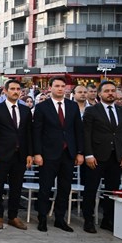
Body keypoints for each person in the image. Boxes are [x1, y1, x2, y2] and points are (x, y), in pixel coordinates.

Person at [31, 77, 84, 232]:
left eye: (63, 86)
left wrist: (80, 152)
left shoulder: (73, 106)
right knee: (45, 188)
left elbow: (78, 131)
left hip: (68, 153)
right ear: (50, 88)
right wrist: (37, 153)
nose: (60, 89)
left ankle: (60, 219)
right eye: (57, 86)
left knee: (65, 188)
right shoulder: (42, 107)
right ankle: (42, 218)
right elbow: (37, 132)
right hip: (48, 154)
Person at [82, 80, 122, 232]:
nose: (111, 93)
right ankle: (88, 220)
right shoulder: (92, 110)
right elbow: (86, 134)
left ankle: (107, 219)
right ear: (99, 94)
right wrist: (89, 154)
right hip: (96, 157)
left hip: (116, 157)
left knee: (112, 190)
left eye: (113, 90)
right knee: (91, 189)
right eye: (107, 91)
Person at [0, 79, 33, 230]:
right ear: (5, 91)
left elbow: (28, 133)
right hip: (1, 155)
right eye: (12, 89)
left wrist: (29, 154)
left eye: (18, 89)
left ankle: (13, 216)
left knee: (17, 187)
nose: (15, 91)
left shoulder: (26, 110)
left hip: (20, 155)